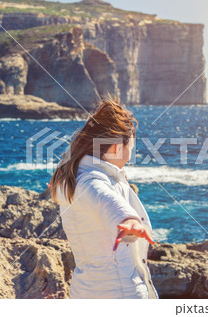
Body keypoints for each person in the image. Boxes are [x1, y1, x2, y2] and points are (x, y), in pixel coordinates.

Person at [49, 95, 159, 299]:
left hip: (87, 290)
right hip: (121, 294)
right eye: (131, 148)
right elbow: (104, 200)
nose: (130, 155)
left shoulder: (75, 174)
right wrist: (128, 219)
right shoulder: (90, 181)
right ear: (118, 147)